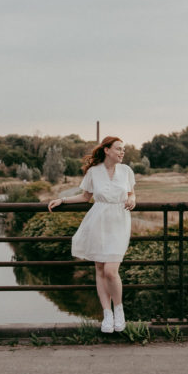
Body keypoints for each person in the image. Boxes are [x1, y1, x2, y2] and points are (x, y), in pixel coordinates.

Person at [47, 136, 136, 333]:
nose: (122, 152)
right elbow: (86, 197)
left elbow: (130, 193)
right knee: (100, 269)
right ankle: (107, 315)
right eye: (119, 149)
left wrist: (133, 199)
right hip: (98, 221)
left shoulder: (126, 171)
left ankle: (119, 311)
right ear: (107, 150)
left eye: (123, 149)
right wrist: (62, 200)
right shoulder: (94, 172)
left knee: (111, 271)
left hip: (119, 222)